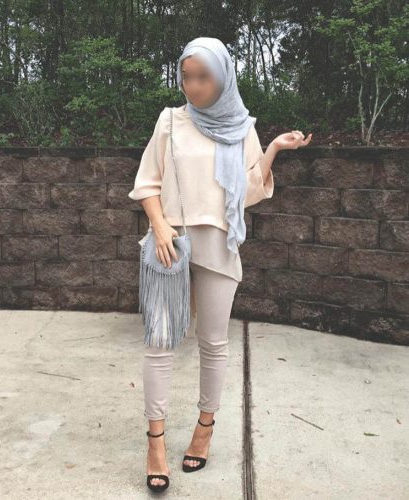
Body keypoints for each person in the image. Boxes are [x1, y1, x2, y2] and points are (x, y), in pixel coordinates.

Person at [128, 37, 312, 493]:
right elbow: (147, 182)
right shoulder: (170, 121)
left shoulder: (241, 128)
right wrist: (160, 225)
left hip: (218, 245)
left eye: (203, 77)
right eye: (186, 77)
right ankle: (155, 443)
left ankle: (204, 429)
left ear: (223, 76)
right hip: (169, 244)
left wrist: (272, 148)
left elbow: (246, 193)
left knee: (213, 343)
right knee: (159, 343)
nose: (192, 86)